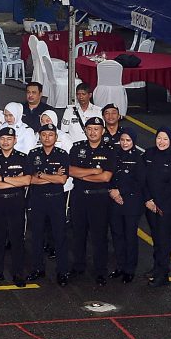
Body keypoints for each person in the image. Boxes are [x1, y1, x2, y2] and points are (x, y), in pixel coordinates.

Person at [68, 117, 117, 285]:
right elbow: (71, 171)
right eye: (89, 128)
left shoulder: (109, 150)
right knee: (78, 234)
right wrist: (93, 171)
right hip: (79, 197)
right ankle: (78, 266)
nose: (92, 132)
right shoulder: (77, 148)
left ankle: (100, 271)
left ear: (102, 131)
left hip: (99, 198)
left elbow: (106, 177)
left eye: (96, 129)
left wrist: (85, 175)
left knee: (99, 236)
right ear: (85, 130)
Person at [0, 127, 32, 287]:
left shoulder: (23, 158)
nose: (5, 141)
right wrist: (13, 180)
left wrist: (3, 179)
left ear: (15, 140)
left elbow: (26, 181)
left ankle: (18, 273)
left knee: (17, 239)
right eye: (2, 138)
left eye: (9, 139)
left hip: (16, 202)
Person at [27, 123, 71, 286]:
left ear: (56, 137)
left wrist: (40, 174)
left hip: (56, 199)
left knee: (60, 236)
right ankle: (38, 268)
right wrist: (50, 175)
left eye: (50, 135)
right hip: (38, 199)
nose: (47, 138)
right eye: (44, 134)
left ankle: (62, 271)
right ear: (40, 136)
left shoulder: (62, 155)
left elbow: (62, 179)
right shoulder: (33, 154)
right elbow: (29, 179)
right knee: (37, 236)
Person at [142, 127, 171, 288]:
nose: (161, 142)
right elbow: (142, 178)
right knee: (156, 238)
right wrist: (148, 199)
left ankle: (163, 274)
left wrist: (157, 203)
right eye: (159, 138)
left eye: (165, 139)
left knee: (164, 239)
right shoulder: (148, 154)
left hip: (166, 207)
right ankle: (157, 267)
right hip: (150, 205)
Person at [108, 127, 144, 284]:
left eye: (128, 140)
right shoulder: (114, 155)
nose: (124, 143)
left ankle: (130, 269)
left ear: (134, 141)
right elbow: (107, 174)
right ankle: (120, 266)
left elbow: (139, 181)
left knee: (130, 236)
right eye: (122, 140)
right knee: (117, 235)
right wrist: (111, 191)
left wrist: (119, 191)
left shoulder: (138, 158)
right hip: (114, 201)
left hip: (131, 203)